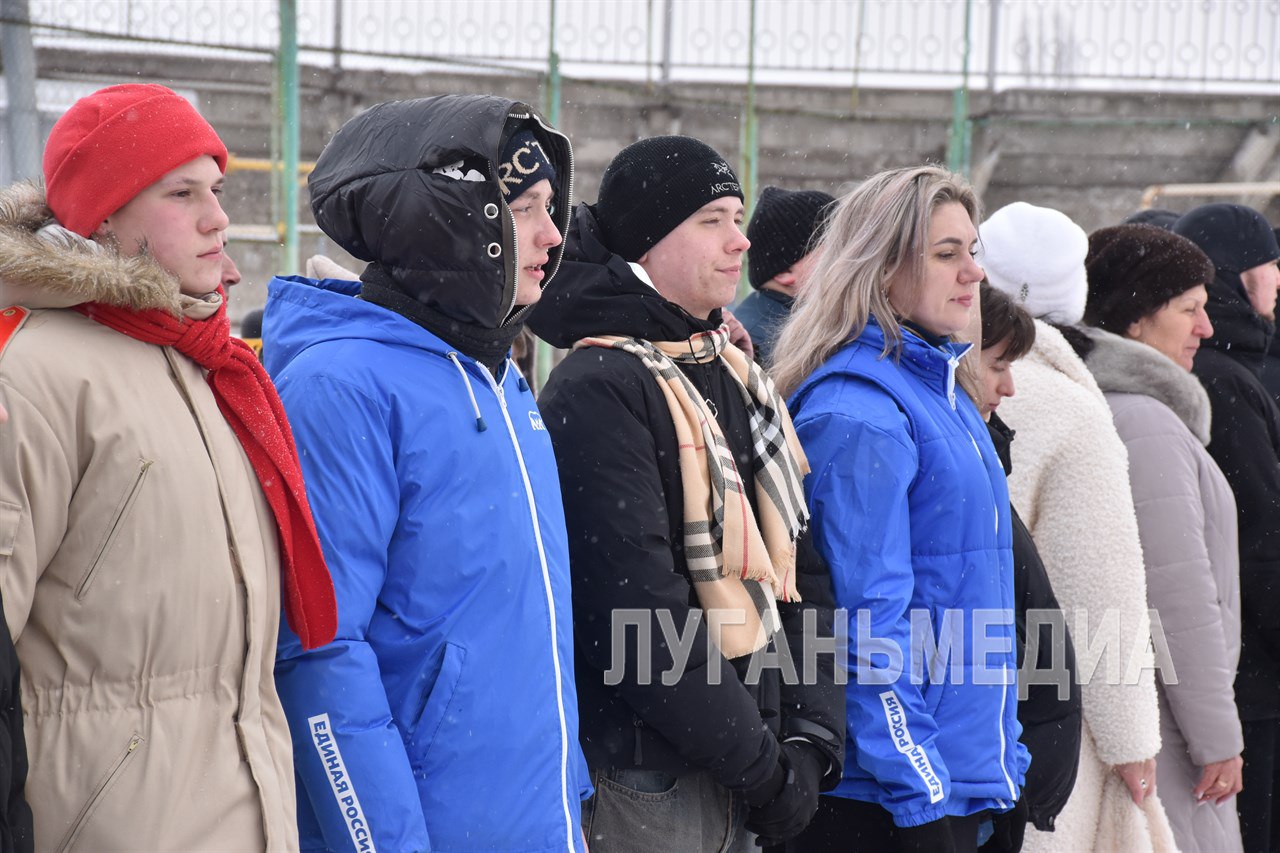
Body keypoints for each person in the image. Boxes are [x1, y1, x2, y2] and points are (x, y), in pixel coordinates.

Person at [0, 82, 336, 851]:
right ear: (104, 217)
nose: (218, 217)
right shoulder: (38, 374)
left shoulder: (213, 372)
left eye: (216, 190)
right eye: (181, 194)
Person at [263, 95, 590, 852]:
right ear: (452, 220)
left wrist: (570, 795)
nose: (552, 234)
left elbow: (525, 630)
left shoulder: (501, 381)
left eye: (553, 206)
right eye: (525, 208)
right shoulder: (341, 386)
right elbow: (319, 650)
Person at [530, 135, 844, 850]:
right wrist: (764, 769)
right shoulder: (599, 386)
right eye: (714, 221)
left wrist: (811, 732)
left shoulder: (733, 372)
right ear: (649, 242)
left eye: (739, 217)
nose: (741, 241)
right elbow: (638, 614)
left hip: (748, 763)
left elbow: (804, 572)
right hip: (654, 782)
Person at [769, 165, 1028, 853]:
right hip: (883, 804)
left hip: (958, 785)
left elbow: (979, 602)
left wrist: (1005, 762)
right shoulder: (861, 414)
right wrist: (923, 796)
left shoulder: (943, 392)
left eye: (973, 251)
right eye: (946, 254)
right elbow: (861, 631)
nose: (972, 272)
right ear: (881, 269)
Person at [980, 201, 1173, 852]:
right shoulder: (1070, 410)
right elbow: (1097, 583)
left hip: (947, 711)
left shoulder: (937, 378)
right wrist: (1130, 740)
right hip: (1046, 725)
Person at [1082, 223, 1245, 852]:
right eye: (1190, 309)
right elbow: (1177, 597)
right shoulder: (1144, 423)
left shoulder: (1120, 410)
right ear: (1136, 321)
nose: (1206, 328)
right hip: (1166, 730)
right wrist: (1217, 739)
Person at [1171, 204, 1280, 853]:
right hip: (1248, 678)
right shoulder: (1223, 381)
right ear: (1240, 275)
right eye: (1271, 265)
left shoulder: (1220, 370)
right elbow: (1260, 540)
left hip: (1233, 668)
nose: (1279, 280)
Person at [975, 283, 1083, 845]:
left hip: (999, 769)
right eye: (997, 365)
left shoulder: (976, 447)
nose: (1009, 386)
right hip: (972, 781)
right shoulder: (927, 441)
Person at [733, 186, 834, 365]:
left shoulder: (768, 324)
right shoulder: (771, 344)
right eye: (834, 250)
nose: (849, 261)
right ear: (785, 272)